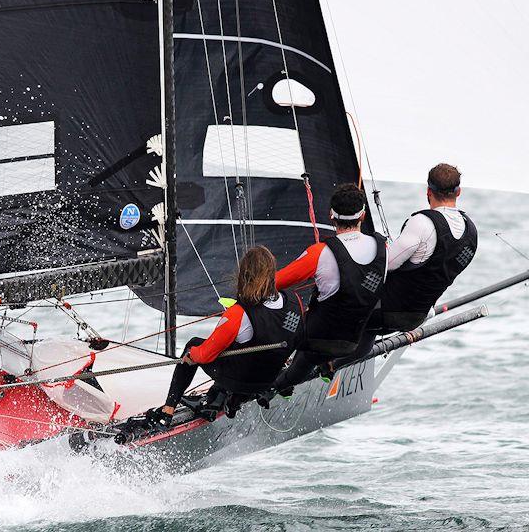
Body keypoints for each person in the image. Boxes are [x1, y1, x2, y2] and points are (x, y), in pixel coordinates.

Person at [146, 246, 304, 429]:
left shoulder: (238, 313)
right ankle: (226, 397)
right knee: (245, 349)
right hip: (269, 380)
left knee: (194, 345)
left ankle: (167, 412)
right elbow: (298, 339)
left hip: (241, 381)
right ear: (273, 273)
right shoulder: (294, 301)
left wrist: (191, 357)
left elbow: (205, 354)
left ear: (244, 276)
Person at [344, 163, 478, 362]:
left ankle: (313, 361)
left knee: (333, 307)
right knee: (369, 326)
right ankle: (336, 364)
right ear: (458, 192)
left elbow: (387, 264)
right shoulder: (471, 232)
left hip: (388, 311)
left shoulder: (422, 223)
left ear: (428, 192)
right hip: (418, 316)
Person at [271, 183, 388, 396]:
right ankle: (321, 371)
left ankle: (271, 385)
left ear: (331, 216)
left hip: (317, 342)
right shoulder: (384, 248)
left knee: (285, 309)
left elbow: (274, 283)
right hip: (355, 343)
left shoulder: (319, 253)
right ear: (362, 216)